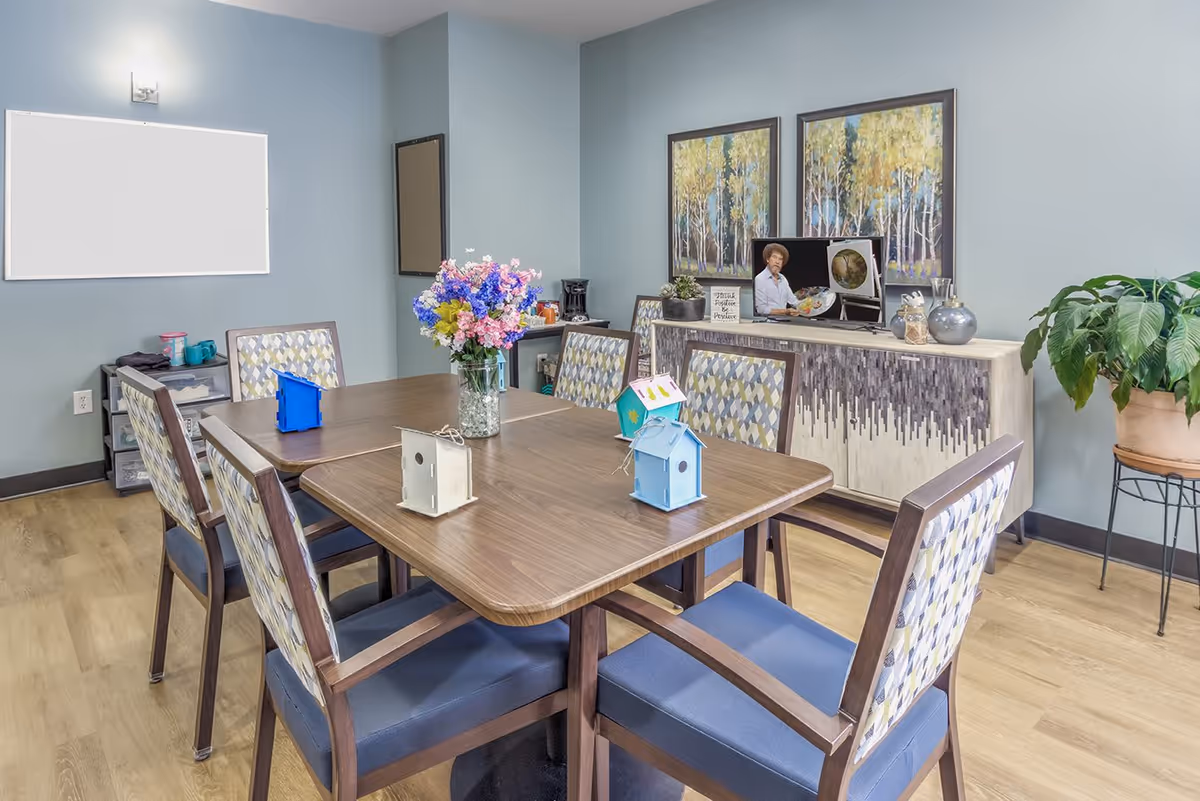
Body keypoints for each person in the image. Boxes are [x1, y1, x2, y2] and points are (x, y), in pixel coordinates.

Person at [754, 243, 799, 316]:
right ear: (768, 259)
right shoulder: (760, 279)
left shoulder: (783, 279)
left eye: (780, 259)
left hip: (785, 323)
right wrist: (786, 311)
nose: (777, 262)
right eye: (774, 257)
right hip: (768, 324)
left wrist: (811, 305)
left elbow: (794, 301)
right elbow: (762, 309)